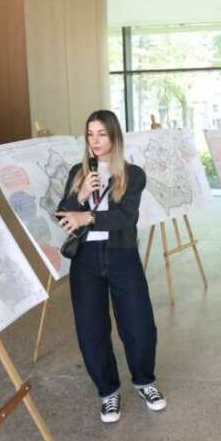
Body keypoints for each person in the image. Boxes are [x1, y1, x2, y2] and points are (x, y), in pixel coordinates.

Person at [55, 110, 165, 423]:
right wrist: (81, 195)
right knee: (91, 329)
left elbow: (125, 218)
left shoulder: (133, 174)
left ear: (114, 136)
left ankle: (145, 381)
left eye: (102, 134)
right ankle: (108, 392)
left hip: (121, 256)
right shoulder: (79, 172)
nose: (95, 141)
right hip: (86, 260)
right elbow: (65, 215)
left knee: (139, 324)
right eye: (90, 134)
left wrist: (86, 216)